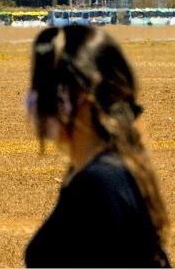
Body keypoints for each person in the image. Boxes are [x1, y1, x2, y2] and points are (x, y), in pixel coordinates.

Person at [24, 25, 170, 268]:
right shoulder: (90, 172)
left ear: (82, 96)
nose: (34, 99)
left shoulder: (101, 182)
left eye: (47, 86)